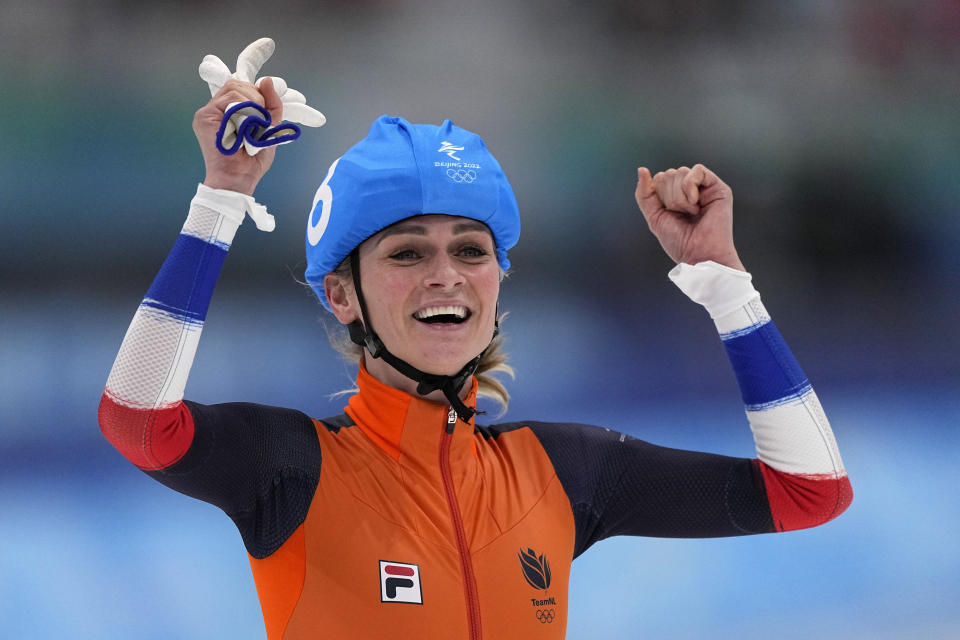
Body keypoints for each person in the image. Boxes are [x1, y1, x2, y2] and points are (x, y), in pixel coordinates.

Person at [98, 70, 852, 639]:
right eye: (405, 252)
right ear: (341, 295)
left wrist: (725, 288)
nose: (445, 273)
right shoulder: (291, 468)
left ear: (498, 279)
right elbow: (134, 417)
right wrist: (221, 197)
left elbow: (811, 492)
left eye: (470, 248)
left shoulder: (564, 474)